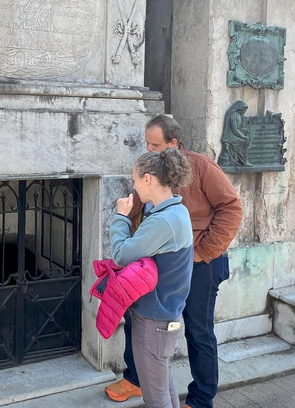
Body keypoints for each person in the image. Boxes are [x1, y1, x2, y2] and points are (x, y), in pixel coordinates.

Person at [105, 114, 243, 408]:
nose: (148, 149)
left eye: (154, 145)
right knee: (138, 321)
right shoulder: (150, 170)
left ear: (174, 143)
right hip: (161, 265)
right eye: (146, 144)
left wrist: (201, 251)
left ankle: (201, 399)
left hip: (202, 263)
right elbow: (140, 211)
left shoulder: (203, 167)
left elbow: (231, 209)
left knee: (198, 331)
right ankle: (136, 378)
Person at [110, 148, 194, 408]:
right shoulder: (176, 213)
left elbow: (121, 255)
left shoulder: (164, 221)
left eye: (135, 180)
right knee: (164, 386)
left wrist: (121, 217)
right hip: (163, 315)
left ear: (148, 179)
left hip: (153, 319)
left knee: (155, 396)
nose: (133, 188)